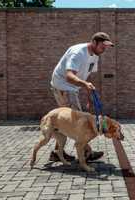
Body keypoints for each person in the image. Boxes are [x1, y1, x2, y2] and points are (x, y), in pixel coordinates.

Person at [49, 32, 114, 162]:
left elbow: (87, 76)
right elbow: (69, 75)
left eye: (106, 46)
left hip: (73, 88)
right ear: (94, 42)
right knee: (76, 120)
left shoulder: (95, 55)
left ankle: (57, 153)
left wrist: (89, 97)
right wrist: (84, 84)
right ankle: (86, 152)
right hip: (62, 86)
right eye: (103, 46)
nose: (104, 49)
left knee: (68, 121)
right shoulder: (78, 53)